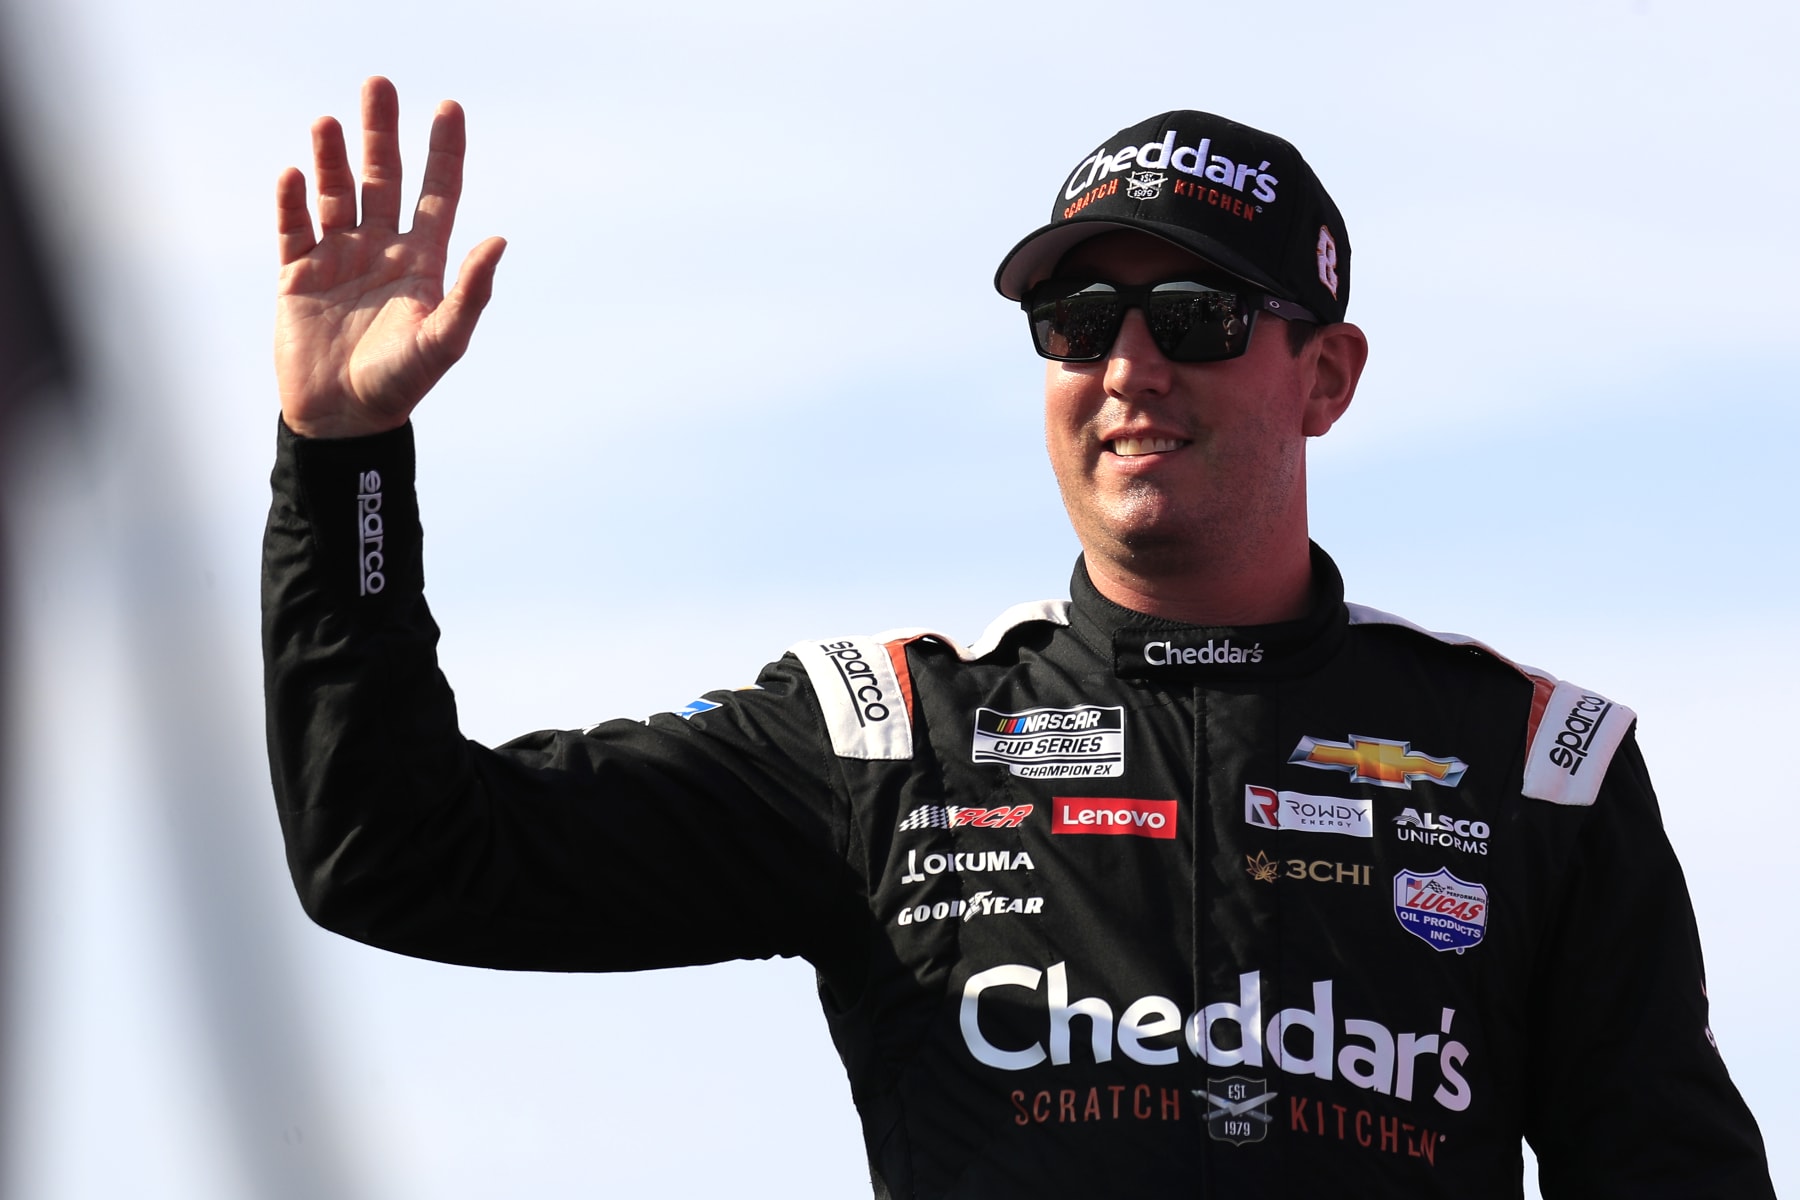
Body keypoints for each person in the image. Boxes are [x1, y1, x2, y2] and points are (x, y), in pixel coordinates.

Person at [264, 77, 1774, 1198]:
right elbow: (397, 852)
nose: (1128, 367)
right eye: (1078, 322)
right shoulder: (887, 737)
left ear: (1326, 376)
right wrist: (344, 461)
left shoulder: (1536, 767)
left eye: (1195, 316)